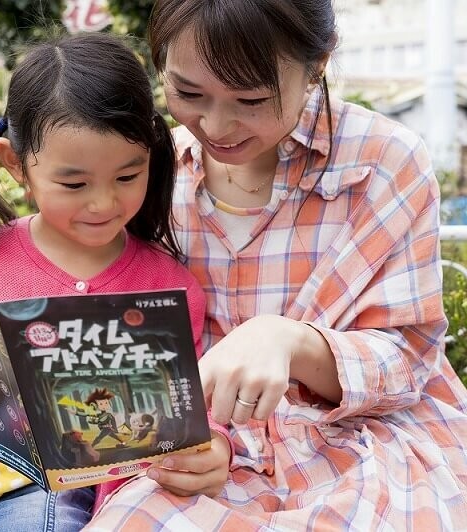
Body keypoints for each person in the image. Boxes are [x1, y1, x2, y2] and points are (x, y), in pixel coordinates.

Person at [85, 1, 467, 530]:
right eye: (188, 93)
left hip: (362, 442)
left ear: (318, 66)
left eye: (252, 99)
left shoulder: (383, 162)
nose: (215, 125)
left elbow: (408, 361)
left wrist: (288, 342)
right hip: (207, 451)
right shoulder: (150, 172)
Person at [0, 32, 233, 532]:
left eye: (127, 176)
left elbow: (190, 407)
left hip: (46, 493)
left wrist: (214, 446)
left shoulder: (167, 286)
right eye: (74, 184)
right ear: (16, 164)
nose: (102, 203)